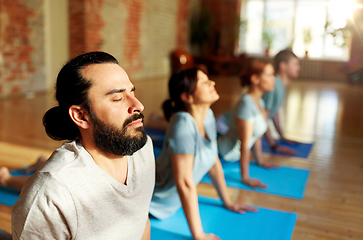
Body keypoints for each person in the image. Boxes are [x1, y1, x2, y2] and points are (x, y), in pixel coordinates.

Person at [12, 51, 155, 240]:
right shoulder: (51, 196)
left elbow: (141, 219)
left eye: (132, 92)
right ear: (81, 115)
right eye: (118, 98)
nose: (138, 105)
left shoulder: (142, 149)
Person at [149, 68, 257, 240]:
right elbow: (184, 183)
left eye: (209, 80)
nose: (212, 83)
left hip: (171, 205)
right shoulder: (183, 125)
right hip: (152, 203)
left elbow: (213, 161)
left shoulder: (208, 116)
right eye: (204, 82)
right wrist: (199, 235)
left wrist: (227, 202)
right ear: (187, 97)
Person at [217, 60, 278, 189]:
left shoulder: (258, 101)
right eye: (269, 75)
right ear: (255, 79)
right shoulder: (246, 105)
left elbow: (256, 135)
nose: (274, 79)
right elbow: (244, 145)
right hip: (221, 154)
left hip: (231, 156)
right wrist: (245, 177)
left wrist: (259, 160)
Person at [262, 49, 301, 154]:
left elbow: (274, 113)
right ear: (283, 66)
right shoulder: (273, 85)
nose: (299, 68)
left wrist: (282, 137)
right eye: (295, 64)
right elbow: (262, 117)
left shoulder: (280, 85)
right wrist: (274, 145)